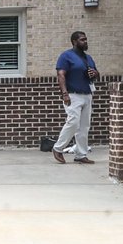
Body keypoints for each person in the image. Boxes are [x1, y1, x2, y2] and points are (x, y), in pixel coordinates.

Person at [51, 31, 99, 165]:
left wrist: (94, 73)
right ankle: (58, 148)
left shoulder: (88, 58)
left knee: (84, 126)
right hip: (73, 94)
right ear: (74, 41)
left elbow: (96, 74)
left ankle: (81, 154)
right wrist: (64, 93)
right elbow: (61, 75)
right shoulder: (66, 56)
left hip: (87, 94)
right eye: (82, 40)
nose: (85, 42)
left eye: (86, 39)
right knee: (73, 122)